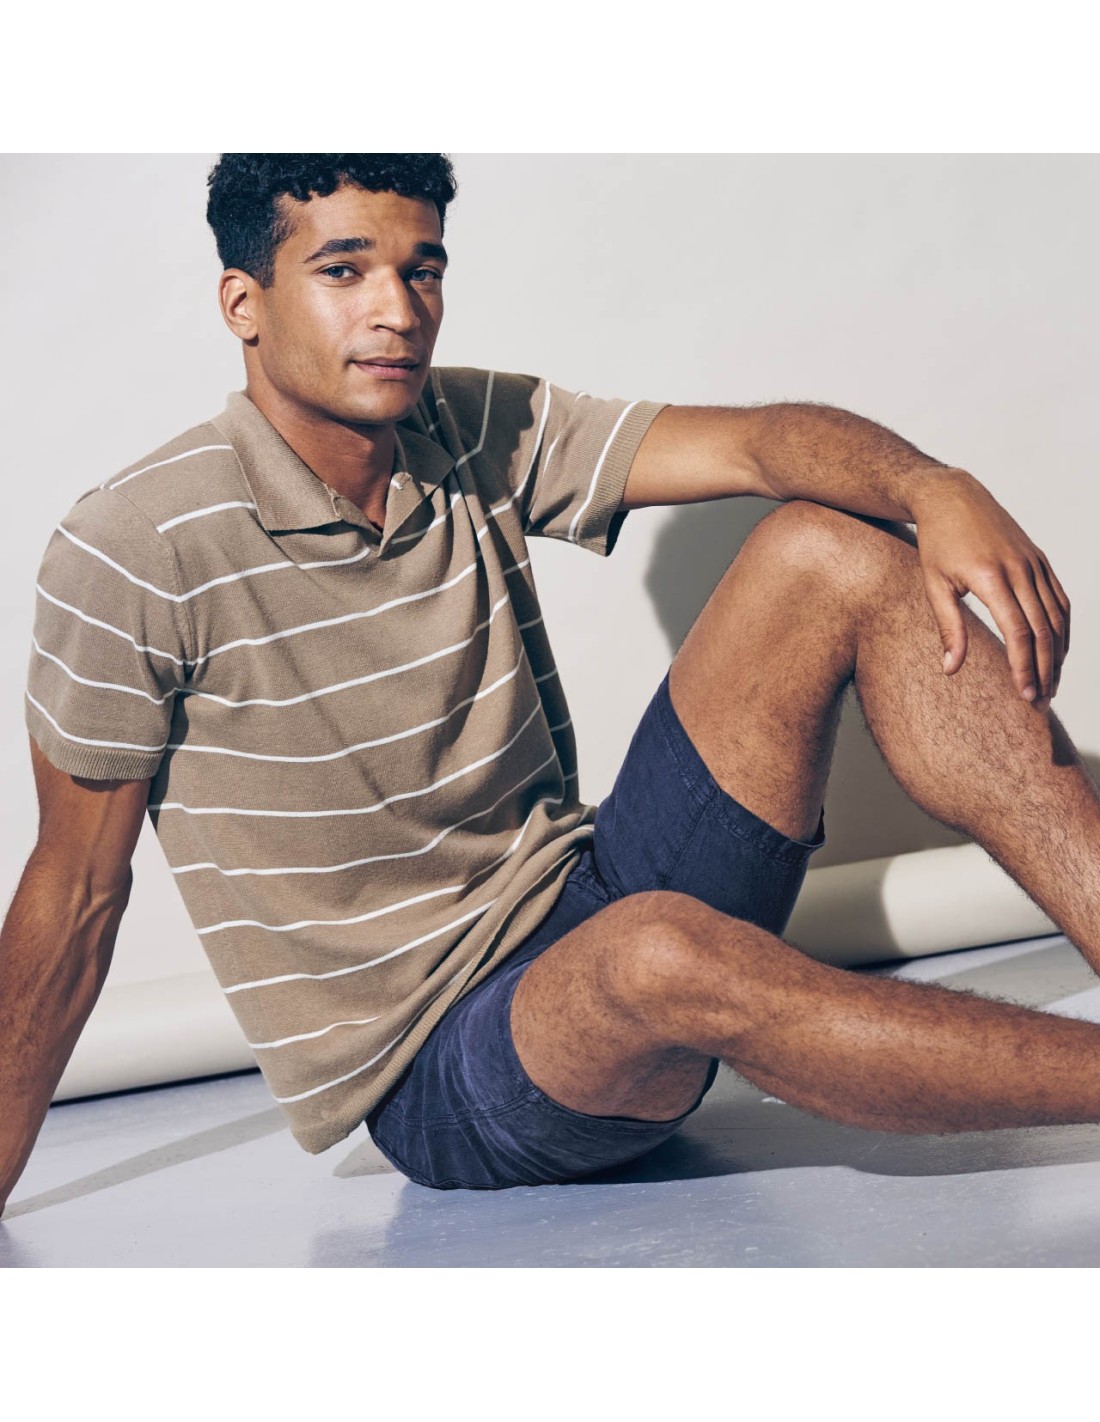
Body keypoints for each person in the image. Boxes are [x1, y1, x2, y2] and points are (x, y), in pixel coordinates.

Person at [2, 152, 1095, 1208]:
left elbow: (760, 443)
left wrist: (934, 486)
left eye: (421, 270)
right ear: (244, 302)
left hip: (589, 894)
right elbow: (75, 890)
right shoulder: (132, 549)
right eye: (343, 271)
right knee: (658, 951)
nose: (397, 311)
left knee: (832, 547)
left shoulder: (466, 426)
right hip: (445, 1068)